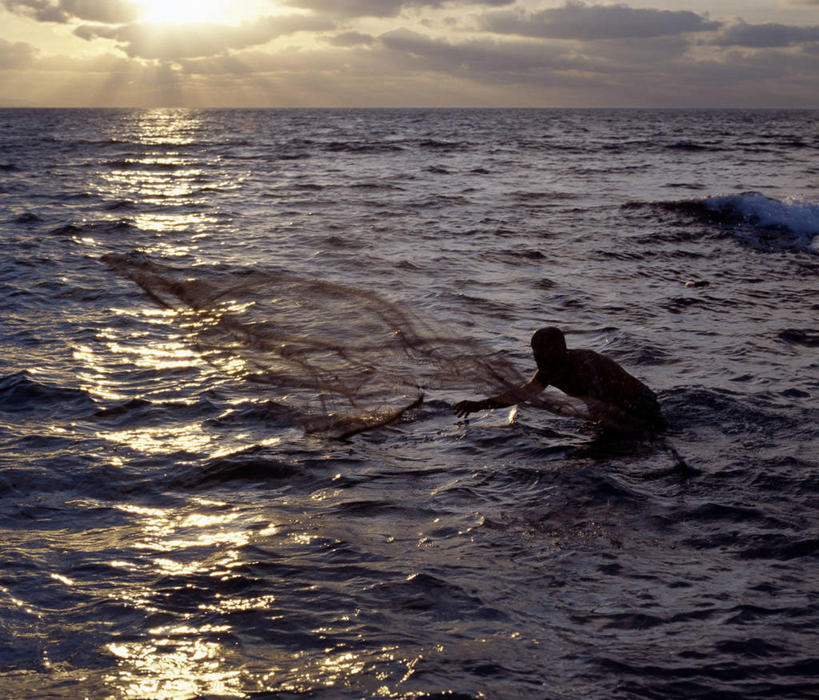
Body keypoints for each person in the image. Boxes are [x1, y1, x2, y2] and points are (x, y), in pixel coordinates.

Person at [454, 327, 666, 434]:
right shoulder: (548, 371)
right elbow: (523, 393)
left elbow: (602, 401)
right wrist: (479, 406)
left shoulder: (584, 365)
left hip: (640, 404)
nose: (537, 359)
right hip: (615, 411)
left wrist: (601, 425)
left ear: (559, 351)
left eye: (542, 354)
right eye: (535, 354)